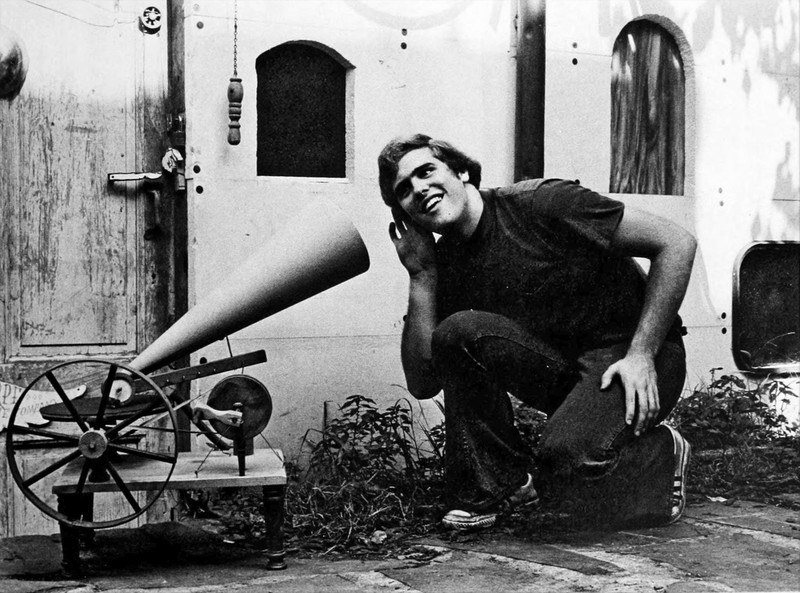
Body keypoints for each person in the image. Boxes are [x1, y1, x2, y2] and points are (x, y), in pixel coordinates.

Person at [378, 133, 697, 530]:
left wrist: (642, 353)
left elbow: (676, 242)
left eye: (426, 172)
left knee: (567, 466)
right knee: (458, 332)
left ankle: (661, 454)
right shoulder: (444, 263)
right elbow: (423, 382)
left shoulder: (541, 202)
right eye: (404, 190)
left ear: (461, 171)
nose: (419, 189)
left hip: (636, 356)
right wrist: (422, 275)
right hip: (568, 371)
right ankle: (497, 487)